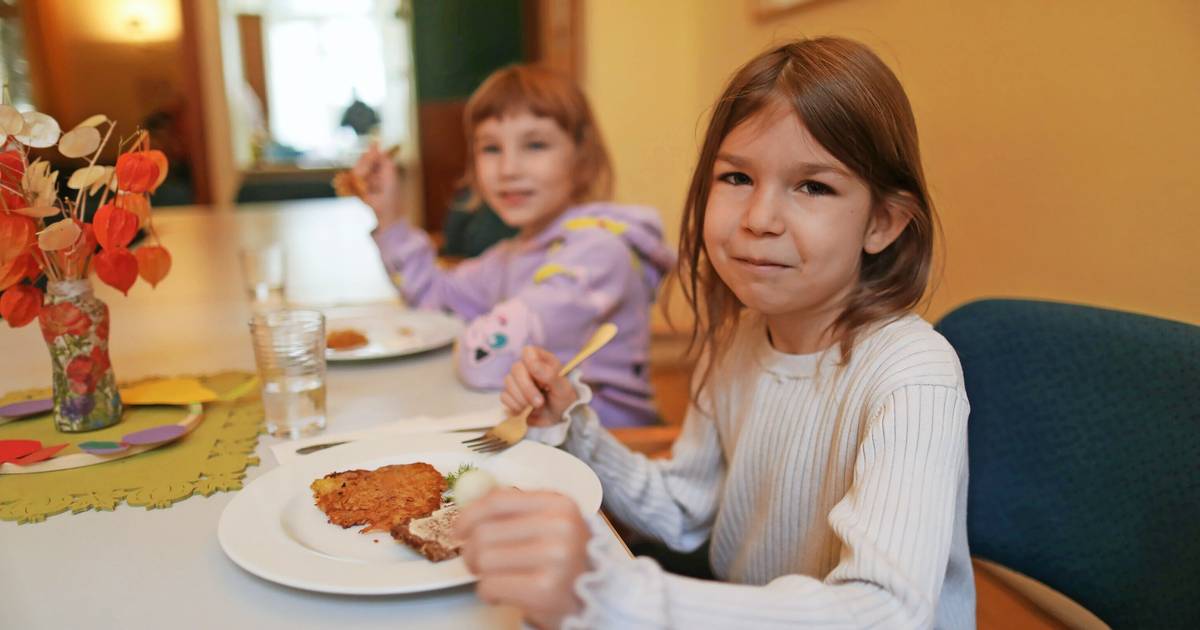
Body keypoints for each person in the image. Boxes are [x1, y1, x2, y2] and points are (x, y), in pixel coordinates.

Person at [456, 38, 975, 629]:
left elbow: (885, 612)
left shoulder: (911, 374)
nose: (759, 219)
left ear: (882, 222)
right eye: (736, 177)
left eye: (814, 186)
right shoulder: (738, 341)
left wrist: (619, 597)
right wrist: (572, 425)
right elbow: (685, 512)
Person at [352, 65, 673, 428]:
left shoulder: (599, 253)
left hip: (611, 446)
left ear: (582, 159)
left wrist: (472, 334)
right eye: (491, 148)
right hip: (542, 433)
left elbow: (484, 359)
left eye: (535, 145)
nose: (508, 168)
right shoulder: (511, 254)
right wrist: (391, 217)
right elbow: (433, 299)